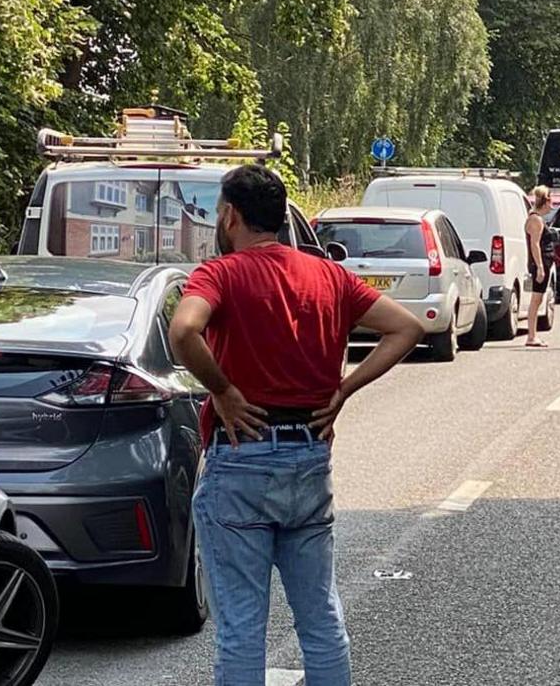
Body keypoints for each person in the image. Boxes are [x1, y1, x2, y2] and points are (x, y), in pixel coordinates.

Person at [169, 164, 424, 686]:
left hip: (242, 458)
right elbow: (408, 327)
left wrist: (222, 390)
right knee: (321, 620)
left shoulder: (221, 274)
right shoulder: (329, 276)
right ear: (283, 216)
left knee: (242, 628)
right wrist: (343, 390)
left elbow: (184, 330)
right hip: (308, 458)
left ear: (229, 215)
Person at [525, 186, 557, 347]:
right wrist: (539, 267)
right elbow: (534, 244)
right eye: (551, 199)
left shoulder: (538, 218)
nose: (553, 203)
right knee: (536, 299)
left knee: (538, 299)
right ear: (545, 201)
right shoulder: (536, 219)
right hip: (541, 262)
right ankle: (532, 336)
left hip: (544, 262)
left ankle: (533, 334)